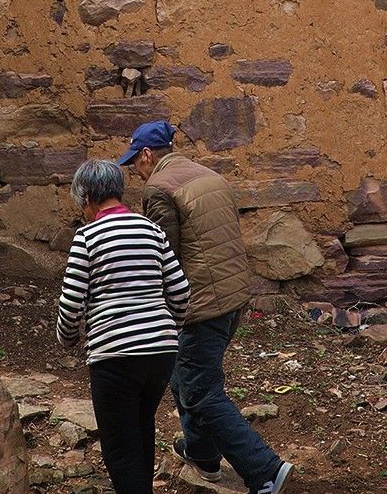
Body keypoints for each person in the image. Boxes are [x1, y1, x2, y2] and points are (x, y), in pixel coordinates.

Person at [120, 120, 295, 494]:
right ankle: (202, 455)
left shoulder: (159, 188)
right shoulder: (208, 175)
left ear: (148, 155)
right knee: (186, 376)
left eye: (134, 161)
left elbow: (163, 253)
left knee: (201, 391)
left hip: (202, 304)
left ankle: (265, 470)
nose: (134, 171)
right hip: (233, 296)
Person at [56, 158, 191, 494]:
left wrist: (67, 337)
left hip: (115, 355)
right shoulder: (151, 230)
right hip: (161, 354)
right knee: (142, 430)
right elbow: (180, 291)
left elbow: (72, 301)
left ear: (87, 199)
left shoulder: (87, 236)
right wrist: (166, 328)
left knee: (119, 447)